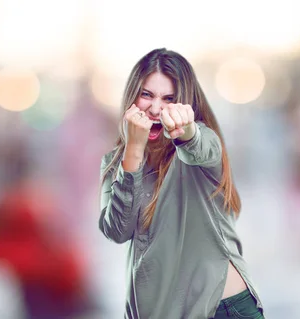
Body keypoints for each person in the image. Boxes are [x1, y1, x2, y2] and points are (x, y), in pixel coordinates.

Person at [98, 48, 264, 319]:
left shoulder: (202, 143)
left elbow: (199, 146)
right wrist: (133, 153)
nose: (155, 108)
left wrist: (185, 130)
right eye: (146, 94)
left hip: (224, 310)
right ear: (132, 96)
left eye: (169, 99)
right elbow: (117, 230)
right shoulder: (115, 164)